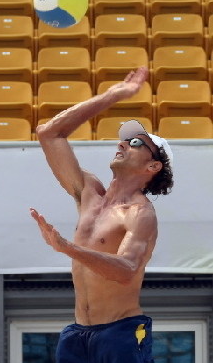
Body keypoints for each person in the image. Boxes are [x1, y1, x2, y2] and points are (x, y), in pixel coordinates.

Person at [30, 66, 174, 363]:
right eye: (125, 139)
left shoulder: (140, 213)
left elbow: (125, 270)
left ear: (153, 167)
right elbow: (49, 133)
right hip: (78, 334)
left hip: (121, 333)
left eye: (136, 143)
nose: (123, 143)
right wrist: (112, 95)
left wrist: (68, 248)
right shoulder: (88, 193)